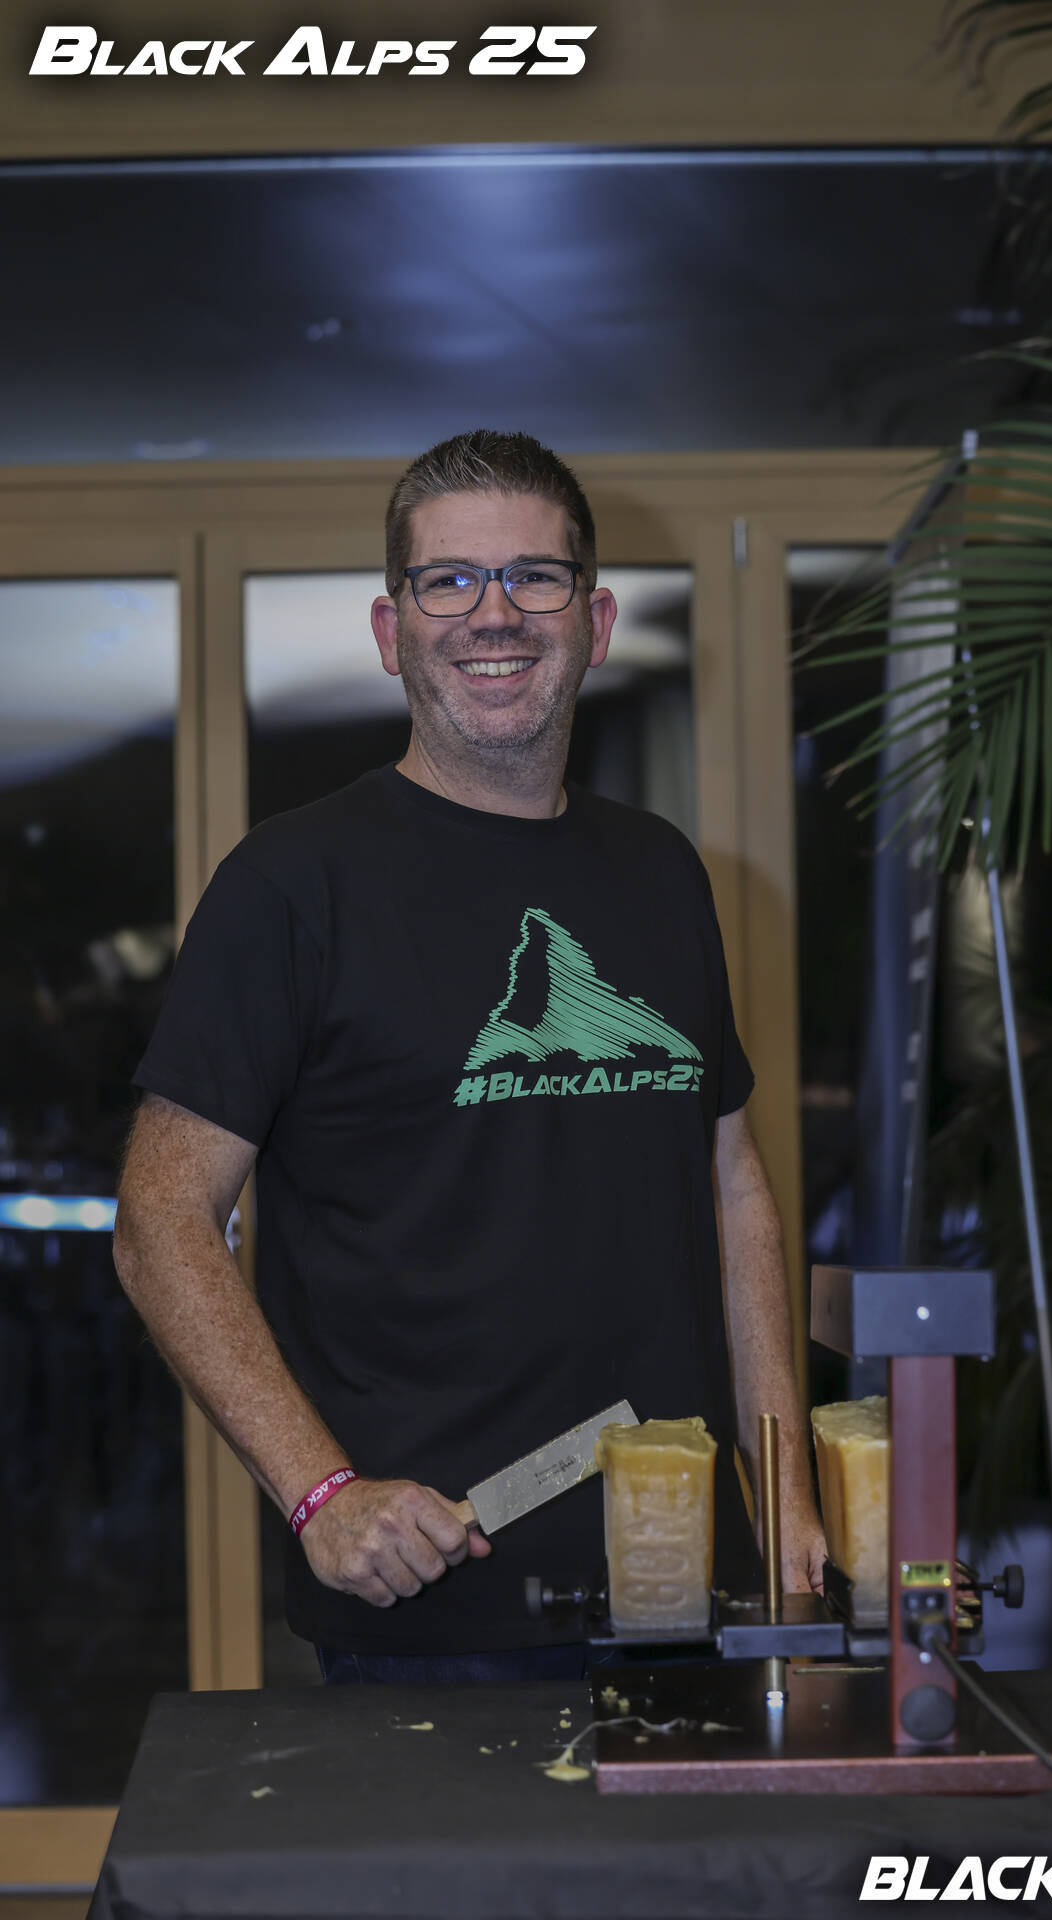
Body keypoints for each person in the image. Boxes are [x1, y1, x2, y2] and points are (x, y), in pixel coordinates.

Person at [113, 429, 826, 1685]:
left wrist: (787, 1496)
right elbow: (160, 1219)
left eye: (534, 577)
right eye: (448, 580)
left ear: (594, 621)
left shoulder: (661, 873)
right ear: (392, 631)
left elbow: (735, 1191)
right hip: (434, 1604)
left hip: (682, 1577)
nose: (494, 614)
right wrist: (320, 1491)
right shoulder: (291, 886)